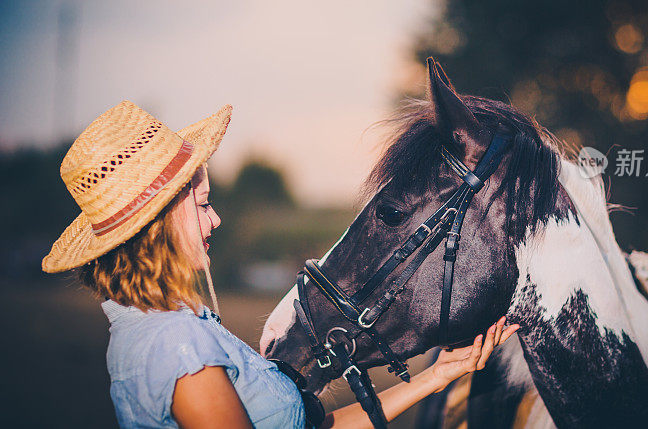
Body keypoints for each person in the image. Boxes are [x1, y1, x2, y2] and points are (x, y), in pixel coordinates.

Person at [42, 101, 519, 428]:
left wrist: (436, 376)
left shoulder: (166, 327)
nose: (216, 218)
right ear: (159, 222)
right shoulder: (175, 344)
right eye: (203, 204)